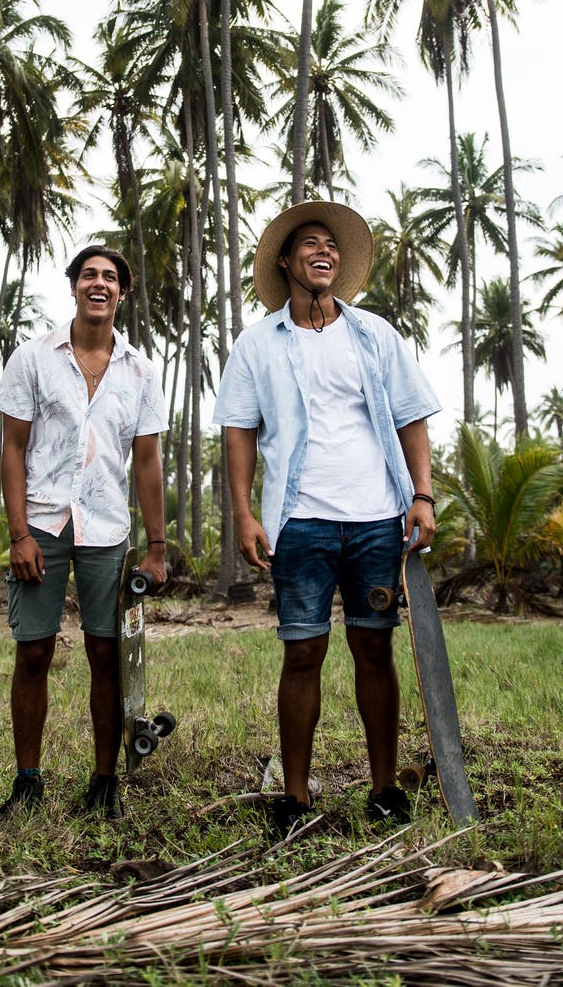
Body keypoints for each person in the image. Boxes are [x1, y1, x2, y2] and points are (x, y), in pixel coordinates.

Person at [212, 202, 440, 835]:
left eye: (332, 246)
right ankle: (294, 796)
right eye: (311, 244)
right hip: (301, 520)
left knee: (375, 647)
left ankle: (385, 789)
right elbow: (239, 431)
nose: (325, 252)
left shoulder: (375, 335)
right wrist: (244, 514)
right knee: (302, 651)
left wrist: (422, 496)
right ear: (286, 262)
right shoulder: (257, 343)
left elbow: (411, 417)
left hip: (376, 517)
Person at [0, 245, 168, 819]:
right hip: (42, 522)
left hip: (107, 528)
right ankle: (27, 783)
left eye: (110, 277)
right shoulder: (33, 358)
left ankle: (103, 782)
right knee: (34, 651)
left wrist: (157, 546)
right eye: (88, 275)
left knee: (105, 653)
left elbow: (147, 461)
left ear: (122, 292)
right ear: (73, 288)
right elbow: (13, 448)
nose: (99, 283)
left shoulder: (140, 371)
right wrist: (19, 534)